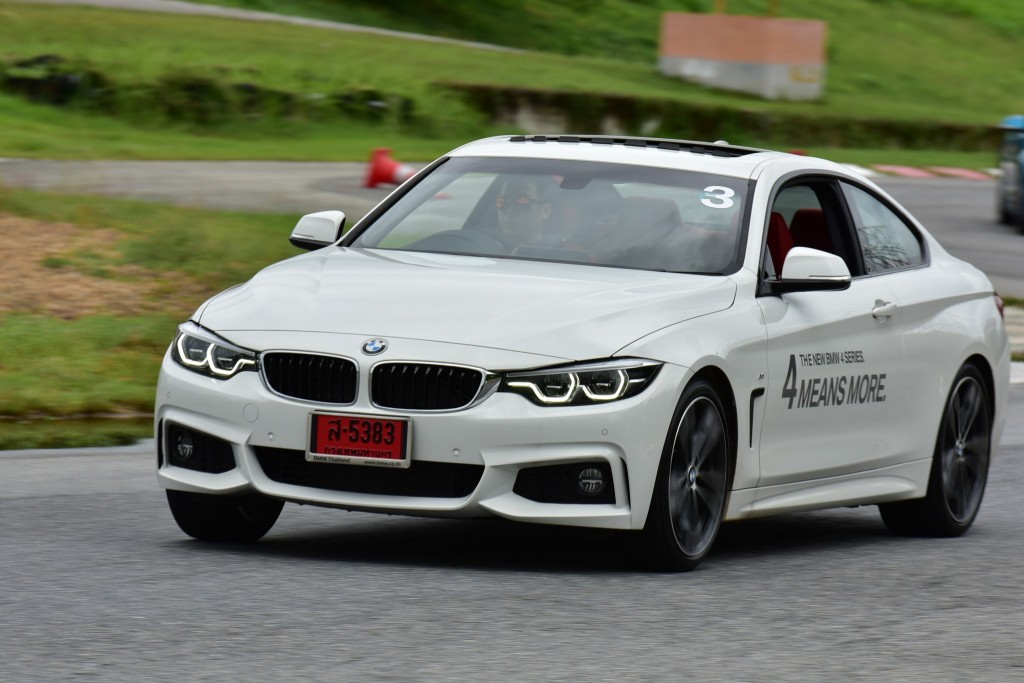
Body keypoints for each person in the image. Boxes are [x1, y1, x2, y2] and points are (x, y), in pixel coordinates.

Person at [495, 175, 556, 249]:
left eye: (522, 201)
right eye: (503, 202)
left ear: (546, 210)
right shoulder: (486, 247)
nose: (509, 210)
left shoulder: (557, 257)